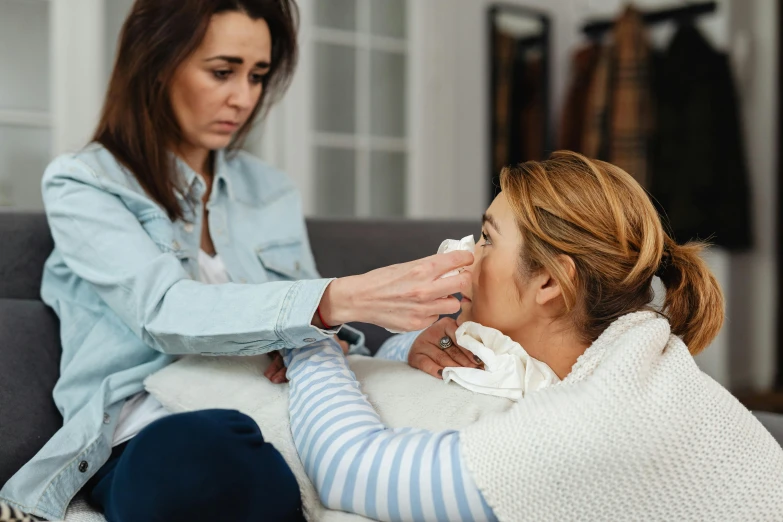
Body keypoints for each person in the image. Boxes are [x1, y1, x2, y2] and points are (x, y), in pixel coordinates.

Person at [0, 1, 475, 520]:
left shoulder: (269, 191)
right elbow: (163, 311)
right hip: (149, 427)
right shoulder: (84, 183)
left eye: (258, 75)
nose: (244, 98)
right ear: (156, 64)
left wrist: (402, 347)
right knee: (201, 459)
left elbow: (311, 337)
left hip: (280, 416)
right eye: (222, 72)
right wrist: (336, 299)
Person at [283, 151, 783, 521]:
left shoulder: (589, 426)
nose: (462, 254)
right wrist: (405, 346)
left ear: (549, 281)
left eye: (485, 240)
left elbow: (348, 470)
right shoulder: (635, 359)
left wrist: (313, 334)